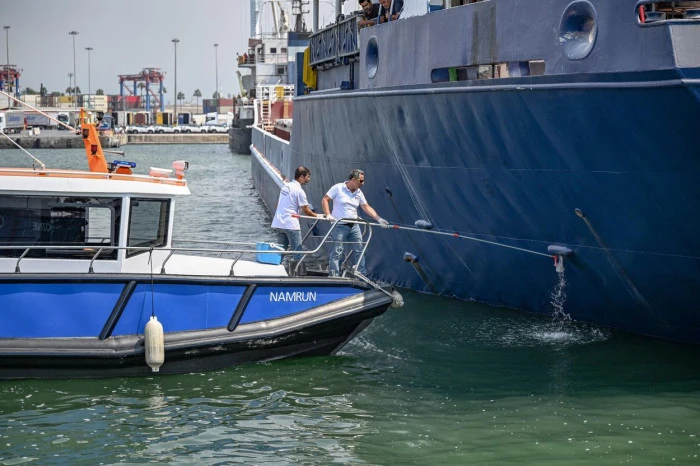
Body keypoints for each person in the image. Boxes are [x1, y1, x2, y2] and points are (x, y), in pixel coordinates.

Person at [322, 169, 389, 277]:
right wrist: (328, 214)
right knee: (337, 251)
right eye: (361, 181)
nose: (363, 183)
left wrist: (379, 219)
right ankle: (334, 275)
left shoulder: (359, 192)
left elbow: (366, 207)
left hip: (354, 226)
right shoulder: (338, 188)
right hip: (339, 226)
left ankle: (361, 274)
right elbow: (325, 200)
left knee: (359, 250)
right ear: (353, 179)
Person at [271, 166, 318, 262]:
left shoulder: (286, 186)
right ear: (301, 177)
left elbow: (279, 203)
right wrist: (317, 215)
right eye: (308, 177)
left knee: (280, 251)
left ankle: (273, 266)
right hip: (291, 225)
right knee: (297, 253)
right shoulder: (299, 191)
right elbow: (306, 210)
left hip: (279, 223)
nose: (309, 179)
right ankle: (298, 270)